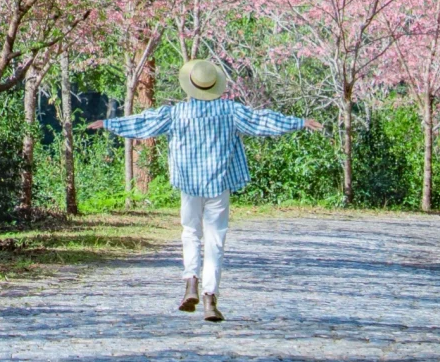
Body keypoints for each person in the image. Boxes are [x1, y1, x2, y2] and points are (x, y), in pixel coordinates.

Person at [86, 58, 322, 321]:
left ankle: (190, 283)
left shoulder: (176, 113)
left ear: (190, 86)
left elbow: (144, 123)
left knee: (190, 232)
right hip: (218, 184)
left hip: (189, 183)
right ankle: (210, 298)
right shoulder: (230, 112)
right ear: (214, 86)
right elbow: (261, 121)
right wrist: (299, 122)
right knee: (215, 239)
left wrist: (109, 124)